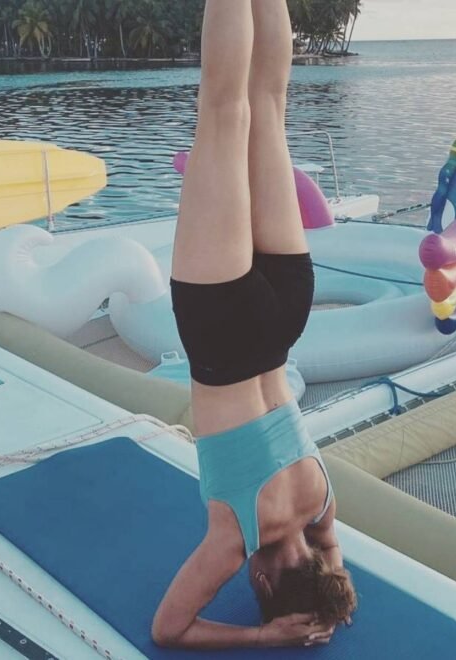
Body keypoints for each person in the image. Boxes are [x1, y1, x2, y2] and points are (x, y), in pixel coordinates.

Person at [151, 0, 357, 650]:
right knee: (224, 109)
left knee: (267, 106)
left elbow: (333, 561)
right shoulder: (235, 536)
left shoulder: (322, 504)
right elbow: (169, 630)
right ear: (264, 585)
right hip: (223, 328)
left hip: (285, 314)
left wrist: (331, 600)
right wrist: (263, 637)